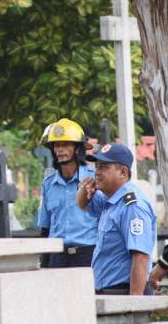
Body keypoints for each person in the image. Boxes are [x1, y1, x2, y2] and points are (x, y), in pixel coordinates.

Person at [76, 143, 156, 295]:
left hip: (124, 292)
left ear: (123, 172)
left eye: (104, 167)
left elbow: (140, 257)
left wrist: (134, 306)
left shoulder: (132, 206)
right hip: (106, 291)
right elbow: (82, 204)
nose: (97, 172)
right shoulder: (110, 200)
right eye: (97, 166)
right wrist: (83, 188)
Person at [36, 119, 98, 267]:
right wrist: (45, 263)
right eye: (56, 145)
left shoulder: (94, 179)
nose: (60, 149)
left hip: (88, 255)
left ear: (77, 148)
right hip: (57, 257)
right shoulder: (48, 184)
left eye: (65, 145)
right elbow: (45, 227)